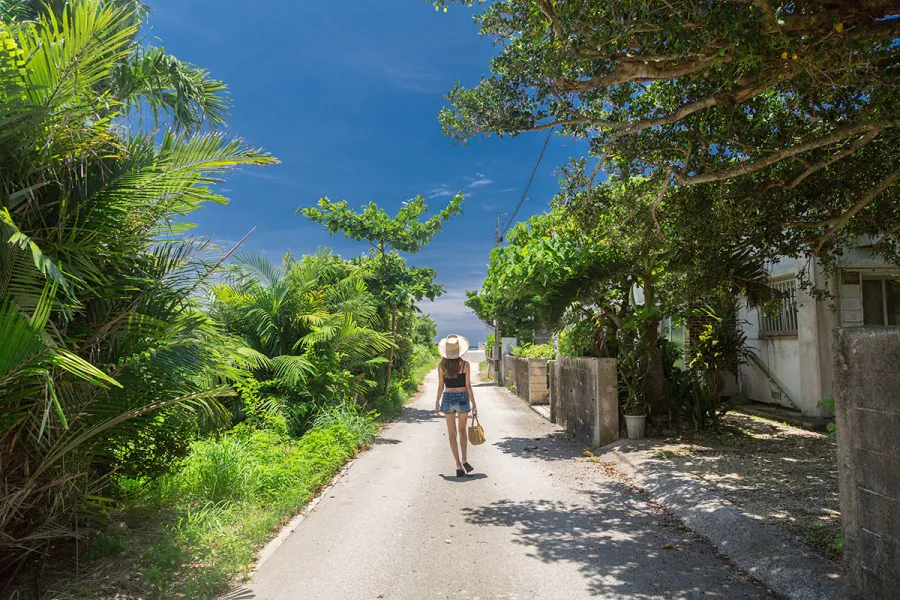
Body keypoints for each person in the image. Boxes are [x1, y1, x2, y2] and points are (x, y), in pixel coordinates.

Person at [435, 334, 478, 478]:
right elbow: (468, 385)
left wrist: (437, 402)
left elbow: (441, 386)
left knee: (451, 433)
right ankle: (465, 459)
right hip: (462, 398)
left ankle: (458, 465)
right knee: (462, 431)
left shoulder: (441, 366)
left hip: (447, 398)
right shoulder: (465, 365)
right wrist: (474, 403)